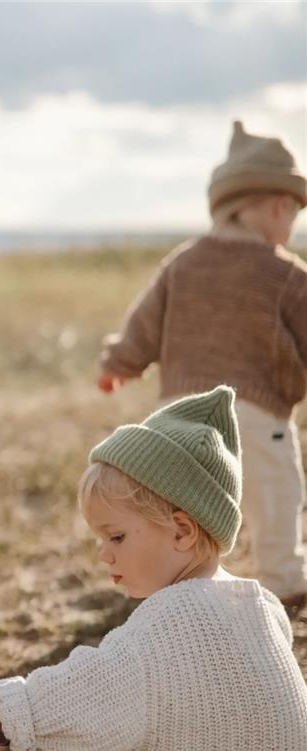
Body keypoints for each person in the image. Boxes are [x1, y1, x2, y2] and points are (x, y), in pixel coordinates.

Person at [0, 388, 307, 751]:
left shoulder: (168, 620)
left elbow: (97, 685)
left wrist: (11, 708)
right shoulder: (260, 602)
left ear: (181, 530)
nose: (103, 552)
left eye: (116, 535)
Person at [97, 120, 307, 606]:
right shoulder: (285, 275)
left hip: (178, 418)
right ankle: (283, 578)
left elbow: (144, 323)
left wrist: (119, 364)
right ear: (278, 206)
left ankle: (177, 584)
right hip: (257, 414)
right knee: (275, 496)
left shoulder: (183, 262)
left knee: (177, 509)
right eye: (294, 214)